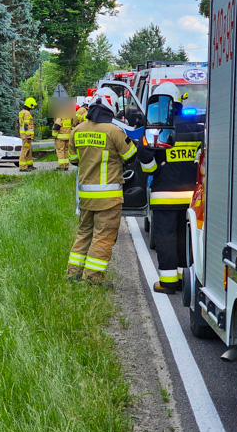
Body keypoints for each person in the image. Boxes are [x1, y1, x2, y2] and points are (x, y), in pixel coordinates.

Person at [66, 88, 138, 285]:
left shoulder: (77, 130)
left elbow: (73, 160)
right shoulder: (115, 131)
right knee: (103, 237)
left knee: (84, 235)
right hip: (108, 198)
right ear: (111, 107)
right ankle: (92, 278)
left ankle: (73, 274)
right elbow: (131, 156)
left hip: (86, 197)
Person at [139, 82, 203, 294]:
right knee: (186, 236)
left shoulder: (156, 128)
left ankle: (168, 282)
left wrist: (157, 169)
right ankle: (186, 279)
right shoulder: (196, 126)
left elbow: (146, 163)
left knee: (165, 237)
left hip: (164, 195)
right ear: (178, 101)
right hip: (193, 197)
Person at [19, 97, 37, 171]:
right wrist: (28, 136)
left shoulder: (22, 112)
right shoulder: (27, 113)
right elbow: (26, 125)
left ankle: (29, 165)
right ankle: (23, 167)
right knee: (25, 150)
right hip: (26, 135)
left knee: (28, 149)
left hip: (24, 135)